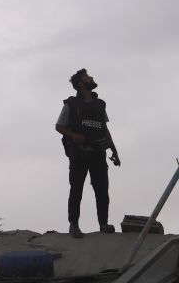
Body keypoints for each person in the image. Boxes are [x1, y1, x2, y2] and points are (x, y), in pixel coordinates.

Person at [55, 68, 121, 237]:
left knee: (102, 190)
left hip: (98, 153)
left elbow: (104, 129)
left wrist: (113, 149)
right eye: (87, 77)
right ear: (80, 84)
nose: (91, 77)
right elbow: (59, 126)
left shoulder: (100, 105)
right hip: (79, 154)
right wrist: (74, 135)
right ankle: (74, 224)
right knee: (76, 189)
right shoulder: (71, 104)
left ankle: (104, 224)